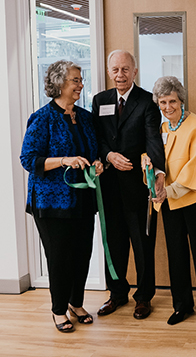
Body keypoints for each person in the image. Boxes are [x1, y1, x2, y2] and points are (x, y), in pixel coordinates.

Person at [20, 60, 104, 333]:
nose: (80, 85)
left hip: (82, 199)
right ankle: (58, 310)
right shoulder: (42, 118)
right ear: (59, 84)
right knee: (60, 257)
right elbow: (28, 159)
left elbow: (92, 151)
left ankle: (75, 302)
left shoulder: (85, 116)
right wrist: (64, 160)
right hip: (50, 202)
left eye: (80, 80)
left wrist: (97, 162)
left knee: (83, 254)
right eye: (75, 80)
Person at [92, 50, 165, 320]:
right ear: (109, 72)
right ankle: (117, 294)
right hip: (109, 186)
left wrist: (157, 172)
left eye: (125, 69)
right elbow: (96, 137)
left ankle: (144, 297)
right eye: (115, 70)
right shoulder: (100, 100)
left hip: (138, 186)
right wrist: (108, 155)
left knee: (143, 244)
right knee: (115, 243)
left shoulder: (147, 101)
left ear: (134, 71)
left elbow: (153, 140)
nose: (119, 75)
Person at [142, 76, 196, 325]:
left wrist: (169, 191)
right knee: (176, 255)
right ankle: (182, 305)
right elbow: (154, 159)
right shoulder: (162, 129)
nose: (167, 107)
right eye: (162, 102)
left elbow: (195, 167)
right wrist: (149, 169)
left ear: (181, 100)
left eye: (172, 100)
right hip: (170, 202)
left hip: (195, 199)